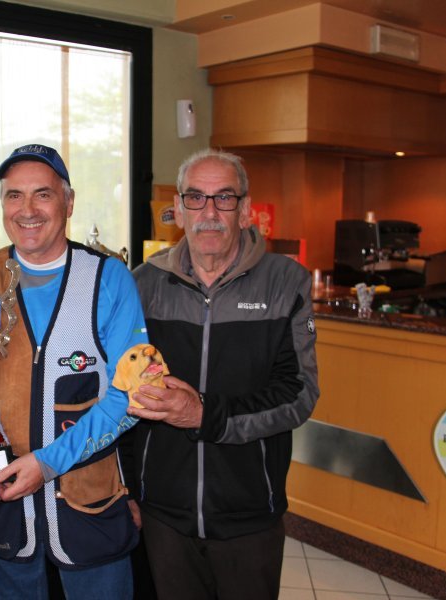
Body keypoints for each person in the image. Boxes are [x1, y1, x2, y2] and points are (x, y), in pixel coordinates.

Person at [0, 144, 146, 600]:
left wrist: (48, 463)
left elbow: (130, 396)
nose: (27, 210)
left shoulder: (108, 278)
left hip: (90, 507)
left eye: (43, 194)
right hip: (0, 506)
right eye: (13, 195)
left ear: (68, 202)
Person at [125, 149, 319, 600]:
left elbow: (299, 393)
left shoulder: (285, 282)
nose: (209, 212)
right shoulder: (143, 284)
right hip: (163, 514)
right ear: (179, 209)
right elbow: (124, 397)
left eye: (224, 198)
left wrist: (204, 415)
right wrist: (128, 487)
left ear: (245, 210)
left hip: (249, 514)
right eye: (196, 197)